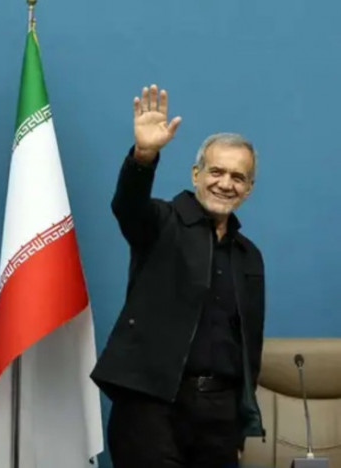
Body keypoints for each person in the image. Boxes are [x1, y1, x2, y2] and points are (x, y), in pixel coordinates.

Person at [90, 84, 265, 467]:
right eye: (216, 171)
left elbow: (249, 345)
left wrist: (240, 423)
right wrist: (144, 156)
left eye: (238, 177)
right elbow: (127, 205)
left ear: (249, 189)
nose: (226, 183)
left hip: (220, 417)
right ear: (196, 174)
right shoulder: (161, 222)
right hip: (150, 409)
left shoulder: (249, 256)